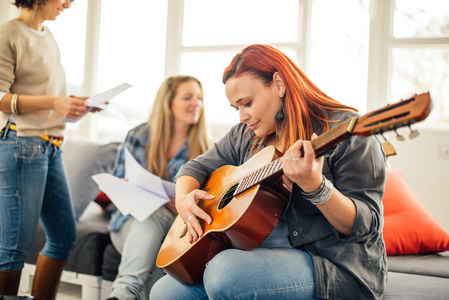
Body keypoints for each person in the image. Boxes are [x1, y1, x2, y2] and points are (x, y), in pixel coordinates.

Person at [150, 44, 388, 300]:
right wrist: (184, 196)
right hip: (260, 254)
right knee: (165, 292)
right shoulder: (245, 135)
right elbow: (194, 167)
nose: (242, 116)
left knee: (225, 272)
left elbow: (365, 225)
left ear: (279, 83)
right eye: (236, 108)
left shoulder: (346, 133)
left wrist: (316, 187)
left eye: (247, 103)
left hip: (333, 267)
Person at [0, 1, 97, 299]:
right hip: (20, 144)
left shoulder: (47, 35)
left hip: (50, 146)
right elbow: (1, 97)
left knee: (64, 237)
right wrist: (55, 103)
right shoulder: (9, 34)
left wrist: (69, 105)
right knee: (16, 245)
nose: (68, 4)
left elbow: (43, 96)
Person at [106, 75, 211, 300]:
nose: (197, 104)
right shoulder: (138, 136)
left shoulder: (205, 148)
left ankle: (122, 294)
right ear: (168, 102)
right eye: (188, 97)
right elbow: (116, 191)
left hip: (176, 230)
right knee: (151, 226)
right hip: (132, 224)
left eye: (200, 98)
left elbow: (210, 200)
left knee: (160, 255)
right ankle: (125, 293)